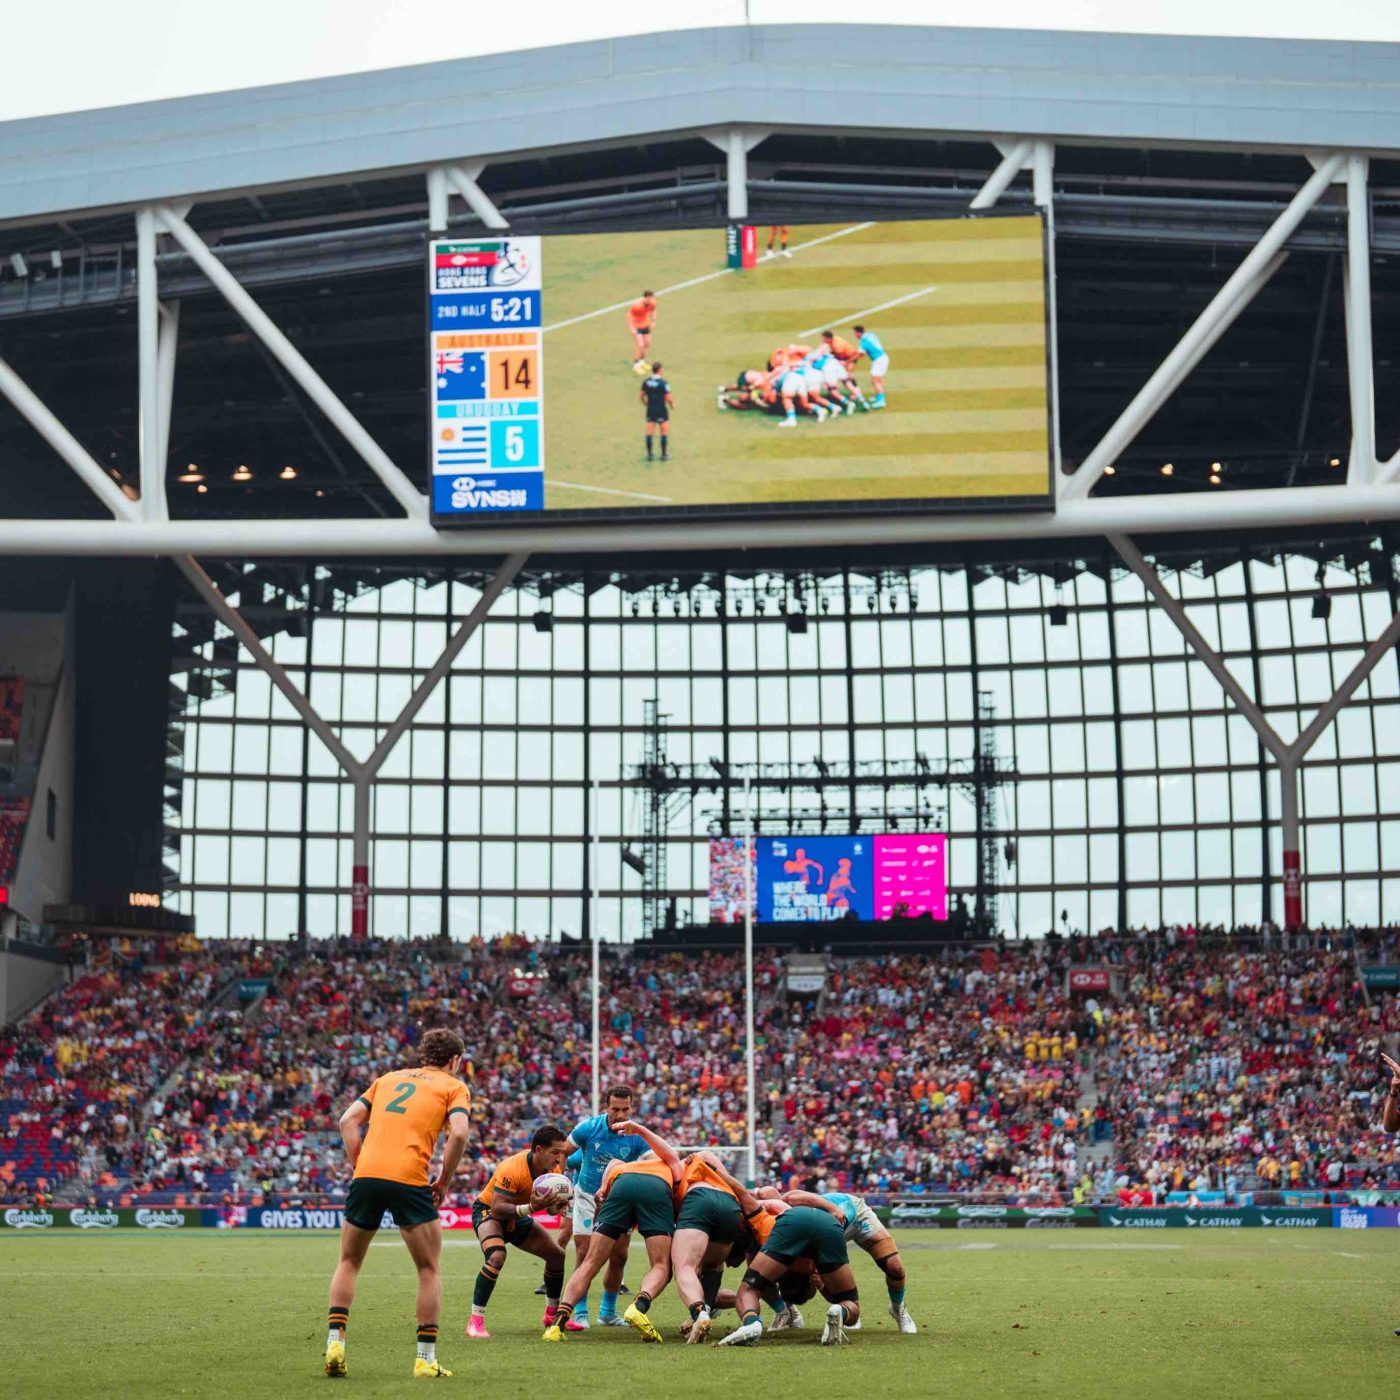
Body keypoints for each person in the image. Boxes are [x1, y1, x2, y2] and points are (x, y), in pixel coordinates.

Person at [323, 1026, 471, 1379]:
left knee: (348, 1261)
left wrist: (360, 1164)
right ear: (454, 1060)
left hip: (367, 1176)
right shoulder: (453, 1086)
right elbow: (460, 1132)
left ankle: (335, 1341)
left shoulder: (387, 1079)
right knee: (428, 1269)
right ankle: (425, 1358)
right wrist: (444, 1180)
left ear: (423, 1055)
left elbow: (347, 1121)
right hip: (409, 1178)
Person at [543, 1119, 683, 1344]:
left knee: (591, 1260)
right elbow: (676, 1171)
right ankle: (638, 1306)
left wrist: (602, 1192)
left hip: (619, 1186)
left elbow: (609, 1172)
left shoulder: (625, 1161)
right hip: (652, 1191)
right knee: (661, 1266)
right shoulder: (671, 1164)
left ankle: (558, 1323)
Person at [467, 1125, 572, 1339]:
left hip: (517, 1214)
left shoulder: (554, 1171)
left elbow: (550, 1211)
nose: (559, 1158)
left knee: (557, 1255)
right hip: (488, 1211)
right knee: (496, 1256)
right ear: (538, 1150)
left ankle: (552, 1316)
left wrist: (559, 1205)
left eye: (561, 1152)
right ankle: (475, 1321)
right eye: (555, 1152)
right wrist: (531, 1208)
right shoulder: (512, 1167)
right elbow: (498, 1208)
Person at [558, 1084, 650, 1330]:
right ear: (605, 1107)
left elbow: (654, 1161)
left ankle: (607, 1312)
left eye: (625, 1109)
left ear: (632, 1107)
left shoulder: (637, 1135)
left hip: (618, 1201)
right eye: (615, 1109)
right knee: (584, 1253)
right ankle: (580, 1312)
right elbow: (562, 1152)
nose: (621, 1115)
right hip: (587, 1196)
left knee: (619, 1256)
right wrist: (560, 1184)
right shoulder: (588, 1127)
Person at [716, 1204, 861, 1347]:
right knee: (850, 1303)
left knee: (749, 1290)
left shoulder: (799, 1264)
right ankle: (841, 1312)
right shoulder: (810, 1268)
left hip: (800, 1220)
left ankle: (751, 1323)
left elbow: (755, 1281)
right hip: (827, 1225)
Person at [777, 1187, 916, 1333]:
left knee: (895, 1267)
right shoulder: (810, 1260)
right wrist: (822, 1286)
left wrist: (832, 1208)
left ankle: (898, 1308)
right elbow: (825, 1285)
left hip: (856, 1212)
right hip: (832, 1233)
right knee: (838, 1278)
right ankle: (792, 1311)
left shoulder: (788, 1225)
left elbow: (791, 1196)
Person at [671, 1150, 764, 1345]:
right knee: (713, 1264)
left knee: (685, 1266)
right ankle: (706, 1307)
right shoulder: (710, 1161)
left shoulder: (679, 1166)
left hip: (699, 1198)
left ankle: (699, 1314)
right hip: (730, 1205)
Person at [641, 366, 674, 462]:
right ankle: (664, 455)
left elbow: (641, 396)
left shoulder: (646, 382)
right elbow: (668, 398)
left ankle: (650, 455)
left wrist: (646, 404)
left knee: (649, 432)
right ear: (659, 370)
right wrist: (672, 405)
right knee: (664, 432)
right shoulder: (663, 383)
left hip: (651, 409)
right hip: (661, 410)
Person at [851, 324, 889, 407]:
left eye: (855, 333)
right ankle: (878, 396)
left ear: (858, 333)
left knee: (875, 381)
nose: (855, 335)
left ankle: (881, 401)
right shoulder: (871, 334)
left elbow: (860, 354)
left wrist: (848, 361)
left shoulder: (864, 342)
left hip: (879, 361)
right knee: (879, 380)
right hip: (882, 358)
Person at [628, 293, 658, 371]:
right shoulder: (637, 305)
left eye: (652, 298)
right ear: (645, 298)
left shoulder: (652, 303)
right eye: (650, 298)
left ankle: (642, 362)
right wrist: (631, 327)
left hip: (645, 325)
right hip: (637, 326)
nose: (651, 300)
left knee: (647, 344)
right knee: (640, 345)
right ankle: (636, 365)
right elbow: (629, 314)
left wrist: (653, 320)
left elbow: (654, 310)